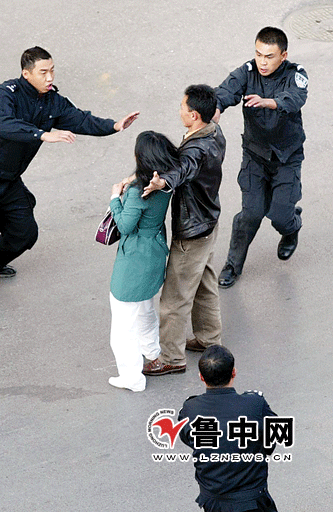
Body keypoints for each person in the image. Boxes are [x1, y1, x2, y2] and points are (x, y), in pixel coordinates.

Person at [0, 46, 139, 291]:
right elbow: (4, 125)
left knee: (24, 234)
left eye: (52, 70)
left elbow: (79, 119)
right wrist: (42, 134)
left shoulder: (51, 101)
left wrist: (114, 125)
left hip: (9, 180)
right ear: (26, 74)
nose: (50, 77)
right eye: (43, 72)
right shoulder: (6, 94)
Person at [142, 84, 225, 377]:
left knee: (174, 299)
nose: (178, 110)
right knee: (204, 282)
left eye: (182, 107)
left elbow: (183, 168)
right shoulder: (213, 130)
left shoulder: (196, 149)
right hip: (209, 221)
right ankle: (208, 338)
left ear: (193, 116)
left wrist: (161, 182)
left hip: (192, 230)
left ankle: (171, 357)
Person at [216, 27, 308, 288]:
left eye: (269, 56)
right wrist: (216, 107)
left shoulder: (296, 74)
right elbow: (226, 91)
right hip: (255, 156)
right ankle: (233, 266)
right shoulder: (247, 72)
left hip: (286, 157)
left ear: (283, 55)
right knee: (251, 213)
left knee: (279, 215)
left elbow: (295, 98)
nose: (262, 62)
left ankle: (291, 228)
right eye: (258, 54)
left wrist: (269, 102)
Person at [108, 131, 179, 392]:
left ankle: (132, 378)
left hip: (135, 258)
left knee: (122, 323)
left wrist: (116, 198)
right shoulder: (164, 183)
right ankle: (153, 353)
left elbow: (125, 226)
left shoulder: (139, 192)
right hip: (156, 251)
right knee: (147, 307)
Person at [178, 345, 279, 512]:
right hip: (253, 500)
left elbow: (188, 438)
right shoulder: (255, 404)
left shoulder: (191, 409)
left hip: (214, 502)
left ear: (201, 377)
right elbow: (272, 438)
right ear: (234, 372)